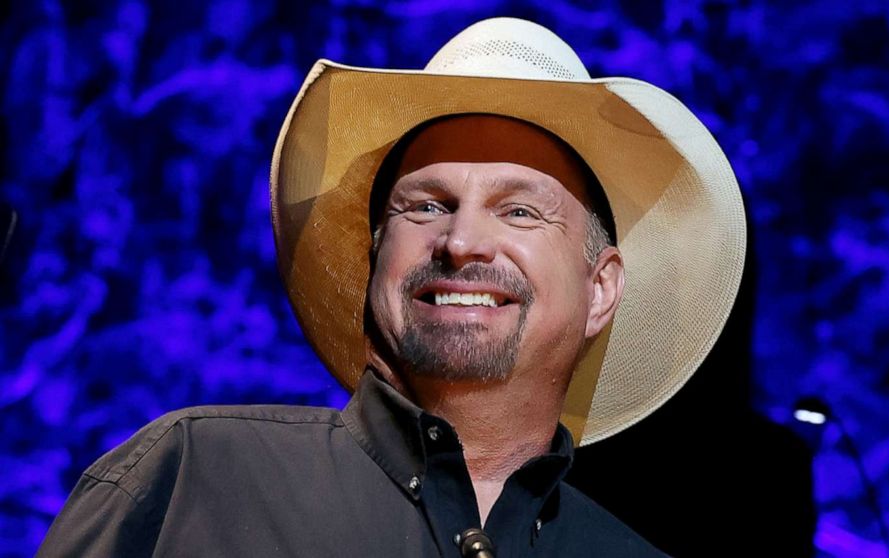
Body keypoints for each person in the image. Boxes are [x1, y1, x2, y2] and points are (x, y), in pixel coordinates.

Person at [38, 17, 745, 557]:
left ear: (601, 288)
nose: (462, 241)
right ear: (376, 258)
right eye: (427, 205)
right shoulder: (192, 481)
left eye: (520, 210)